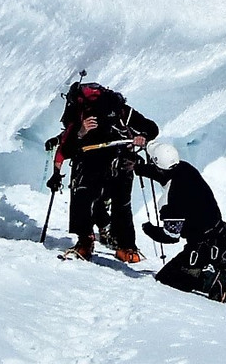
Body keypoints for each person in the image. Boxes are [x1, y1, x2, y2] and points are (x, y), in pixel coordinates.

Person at [46, 81, 158, 263]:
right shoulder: (83, 113)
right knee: (106, 201)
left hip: (117, 161)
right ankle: (121, 246)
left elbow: (151, 129)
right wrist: (81, 131)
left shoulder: (119, 110)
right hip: (100, 162)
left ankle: (96, 242)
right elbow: (66, 147)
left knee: (103, 201)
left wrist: (142, 137)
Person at [131, 143, 226, 308]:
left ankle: (211, 280)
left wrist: (149, 229)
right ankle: (220, 272)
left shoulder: (171, 200)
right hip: (219, 237)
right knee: (179, 273)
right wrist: (138, 168)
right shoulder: (185, 168)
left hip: (201, 247)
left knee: (167, 280)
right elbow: (163, 173)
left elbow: (170, 236)